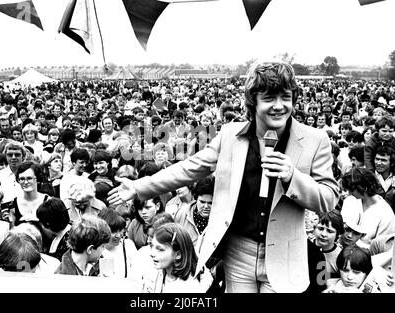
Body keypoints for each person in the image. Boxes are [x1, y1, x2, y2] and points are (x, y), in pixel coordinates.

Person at [108, 60, 339, 293]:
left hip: (284, 255)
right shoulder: (231, 135)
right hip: (239, 251)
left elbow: (328, 198)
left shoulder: (315, 140)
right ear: (253, 101)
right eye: (269, 98)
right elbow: (190, 168)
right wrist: (139, 187)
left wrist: (292, 177)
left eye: (285, 98)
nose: (279, 106)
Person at [340, 167, 395, 248]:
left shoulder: (386, 214)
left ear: (364, 188)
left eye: (352, 190)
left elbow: (382, 249)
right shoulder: (350, 200)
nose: (349, 193)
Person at [142, 223, 205, 293]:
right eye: (152, 246)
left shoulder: (190, 288)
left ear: (178, 254)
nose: (152, 254)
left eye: (160, 249)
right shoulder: (156, 274)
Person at [1, 162, 49, 227]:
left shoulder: (48, 201)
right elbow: (13, 232)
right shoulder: (13, 205)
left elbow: (54, 233)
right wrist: (9, 223)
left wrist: (38, 223)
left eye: (29, 178)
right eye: (22, 179)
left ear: (37, 179)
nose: (25, 182)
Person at [97, 207, 137, 278]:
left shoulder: (128, 245)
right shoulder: (95, 250)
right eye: (113, 231)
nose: (118, 235)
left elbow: (137, 273)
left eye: (120, 230)